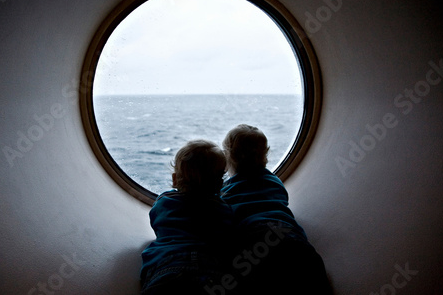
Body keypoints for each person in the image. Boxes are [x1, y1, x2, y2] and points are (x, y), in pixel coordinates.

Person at [221, 124, 333, 294]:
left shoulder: (226, 190)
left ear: (228, 156)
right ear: (266, 154)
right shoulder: (274, 181)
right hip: (290, 237)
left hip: (252, 239)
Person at [140, 140, 235, 295]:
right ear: (220, 184)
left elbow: (157, 223)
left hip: (167, 266)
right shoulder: (223, 209)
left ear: (175, 179)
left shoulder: (164, 202)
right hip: (211, 268)